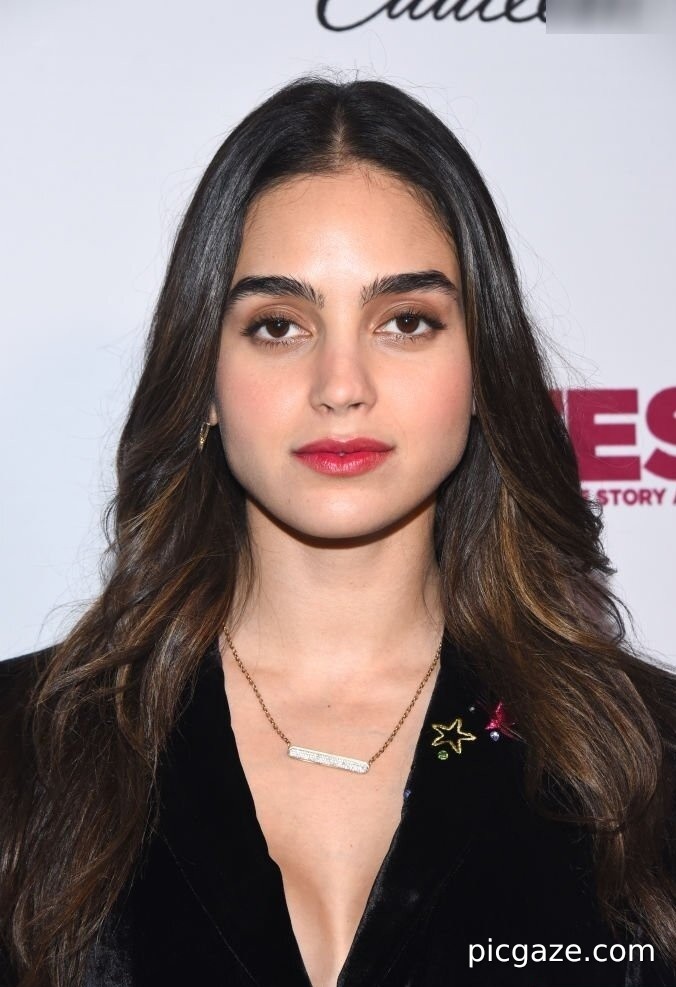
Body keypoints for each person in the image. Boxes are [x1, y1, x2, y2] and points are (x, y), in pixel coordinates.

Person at [1, 73, 675, 987]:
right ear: (203, 378)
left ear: (483, 370)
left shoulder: (644, 762)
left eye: (406, 321)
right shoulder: (25, 752)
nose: (342, 384)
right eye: (280, 325)